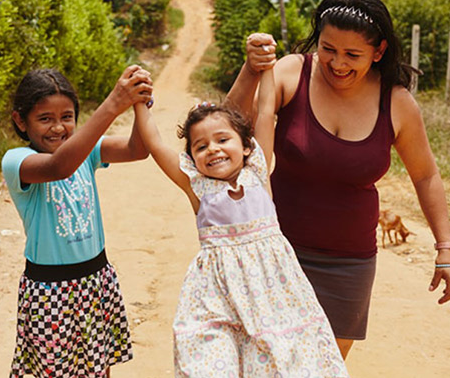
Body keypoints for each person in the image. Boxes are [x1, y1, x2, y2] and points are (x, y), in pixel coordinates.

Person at [226, 0, 450, 359]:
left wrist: (446, 249)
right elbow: (229, 131)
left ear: (379, 52)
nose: (337, 64)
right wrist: (250, 70)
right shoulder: (292, 71)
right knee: (263, 361)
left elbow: (426, 176)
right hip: (274, 250)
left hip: (348, 263)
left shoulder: (396, 103)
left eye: (353, 55)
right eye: (328, 49)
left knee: (323, 366)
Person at [132, 67, 349, 377]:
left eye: (223, 139)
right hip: (215, 296)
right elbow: (155, 144)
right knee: (208, 363)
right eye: (201, 146)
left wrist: (267, 68)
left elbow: (265, 111)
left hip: (272, 293)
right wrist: (139, 101)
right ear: (192, 160)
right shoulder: (198, 188)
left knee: (282, 361)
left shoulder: (258, 174)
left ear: (247, 147)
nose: (214, 149)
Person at [2, 65, 153, 377]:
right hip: (49, 291)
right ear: (20, 120)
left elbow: (138, 150)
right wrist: (114, 102)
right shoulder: (17, 161)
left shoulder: (87, 150)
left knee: (99, 369)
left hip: (96, 281)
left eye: (67, 117)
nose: (58, 128)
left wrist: (140, 105)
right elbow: (60, 167)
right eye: (45, 119)